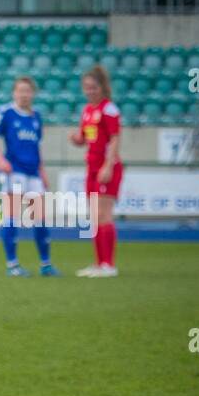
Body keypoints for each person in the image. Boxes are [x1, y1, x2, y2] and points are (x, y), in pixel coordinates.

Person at [0, 76, 57, 276]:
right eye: (20, 91)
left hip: (34, 173)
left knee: (40, 219)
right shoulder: (7, 112)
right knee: (12, 217)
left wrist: (43, 172)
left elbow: (37, 147)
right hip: (14, 172)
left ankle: (45, 264)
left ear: (32, 94)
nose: (24, 94)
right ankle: (13, 264)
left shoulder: (36, 116)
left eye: (27, 91)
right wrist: (0, 161)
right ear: (14, 93)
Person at [72, 65, 122, 277]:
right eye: (86, 87)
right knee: (93, 216)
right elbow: (85, 139)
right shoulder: (87, 111)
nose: (90, 91)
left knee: (104, 215)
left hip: (106, 168)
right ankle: (99, 263)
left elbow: (115, 138)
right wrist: (76, 139)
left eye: (93, 87)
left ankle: (108, 265)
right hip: (91, 168)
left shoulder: (108, 109)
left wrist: (108, 165)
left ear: (103, 87)